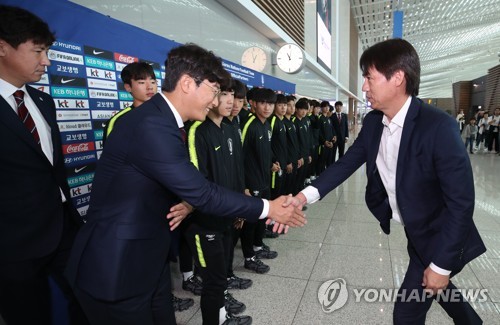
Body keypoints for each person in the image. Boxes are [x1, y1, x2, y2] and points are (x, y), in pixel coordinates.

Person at [65, 43, 306, 325]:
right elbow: (202, 191)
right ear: (188, 84)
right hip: (116, 267)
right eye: (214, 92)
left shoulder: (164, 122)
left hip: (148, 258)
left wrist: (187, 202)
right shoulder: (151, 126)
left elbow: (181, 184)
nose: (215, 101)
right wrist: (269, 208)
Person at [290, 38, 486, 324]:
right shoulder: (373, 123)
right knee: (436, 288)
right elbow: (345, 164)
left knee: (407, 311)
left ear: (397, 78)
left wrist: (442, 264)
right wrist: (301, 197)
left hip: (443, 236)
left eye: (369, 77)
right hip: (416, 232)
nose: (364, 87)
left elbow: (461, 202)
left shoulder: (436, 126)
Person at [0, 5, 87, 325]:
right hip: (13, 246)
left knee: (88, 301)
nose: (46, 61)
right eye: (38, 51)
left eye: (47, 51)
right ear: (2, 47)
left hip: (64, 229)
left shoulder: (42, 101)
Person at [101, 61, 194, 313]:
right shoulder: (121, 122)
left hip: (168, 202)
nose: (150, 86)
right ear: (128, 87)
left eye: (152, 80)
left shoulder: (167, 120)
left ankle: (164, 295)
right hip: (137, 208)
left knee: (164, 255)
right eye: (141, 82)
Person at [184, 80, 251, 324]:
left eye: (233, 95)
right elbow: (196, 184)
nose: (230, 101)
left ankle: (221, 314)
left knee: (220, 275)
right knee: (212, 281)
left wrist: (240, 206)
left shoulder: (229, 128)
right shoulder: (197, 131)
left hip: (227, 215)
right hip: (205, 223)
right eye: (224, 94)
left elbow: (235, 172)